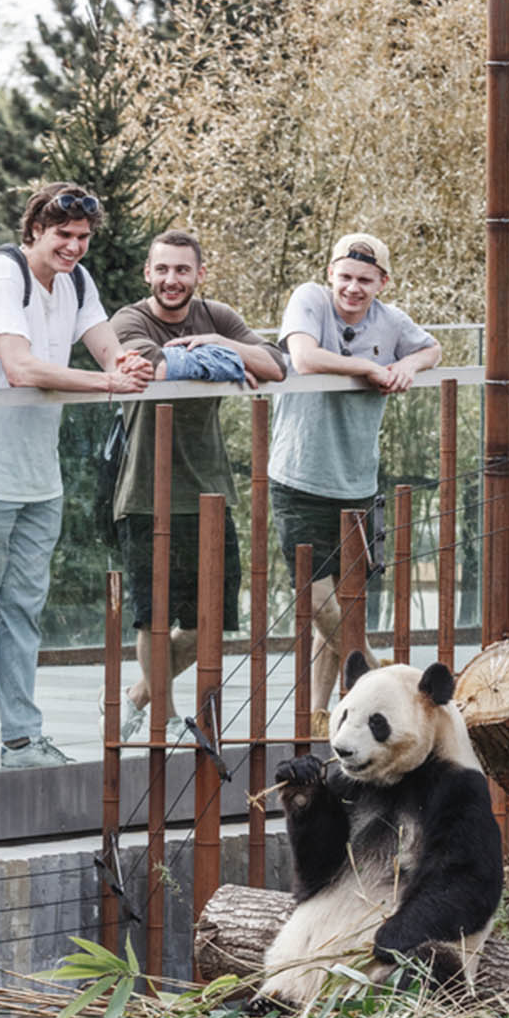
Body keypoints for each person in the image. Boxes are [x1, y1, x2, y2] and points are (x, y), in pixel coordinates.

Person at [0, 181, 152, 772]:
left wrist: (127, 363)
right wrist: (110, 382)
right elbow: (20, 366)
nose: (74, 247)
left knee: (25, 606)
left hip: (41, 470)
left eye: (83, 238)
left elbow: (107, 348)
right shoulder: (4, 276)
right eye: (63, 235)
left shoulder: (77, 281)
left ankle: (20, 736)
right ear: (34, 230)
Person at [109, 230, 285, 740]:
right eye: (162, 269)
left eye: (182, 270)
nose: (171, 280)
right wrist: (231, 365)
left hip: (210, 490)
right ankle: (162, 720)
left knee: (212, 621)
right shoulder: (129, 319)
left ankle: (141, 696)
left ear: (199, 274)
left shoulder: (218, 317)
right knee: (153, 619)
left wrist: (218, 344)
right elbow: (161, 368)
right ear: (148, 272)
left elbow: (274, 365)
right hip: (145, 489)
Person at [269, 232, 440, 730]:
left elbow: (434, 348)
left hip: (357, 483)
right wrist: (368, 367)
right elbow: (304, 358)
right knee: (320, 602)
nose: (352, 288)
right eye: (345, 276)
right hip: (299, 476)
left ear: (382, 282)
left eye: (365, 280)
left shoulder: (390, 320)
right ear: (330, 274)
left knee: (342, 606)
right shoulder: (309, 299)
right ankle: (380, 670)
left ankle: (320, 713)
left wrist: (407, 363)